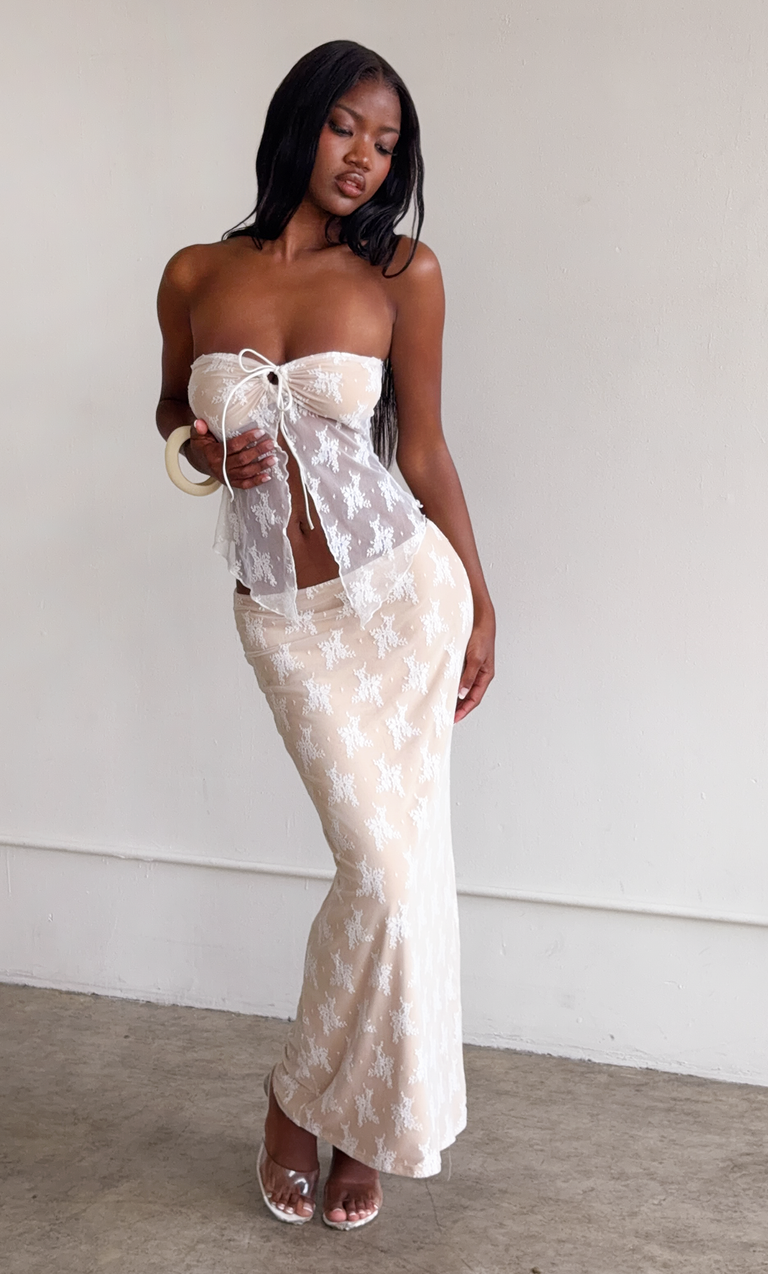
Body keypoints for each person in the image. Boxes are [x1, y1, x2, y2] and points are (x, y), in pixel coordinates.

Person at [156, 39, 495, 1231]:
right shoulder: (196, 271)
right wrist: (209, 451)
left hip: (403, 596)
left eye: (386, 143)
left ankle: (338, 1116)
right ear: (298, 123)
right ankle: (312, 1094)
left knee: (396, 875)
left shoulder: (403, 272)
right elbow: (171, 408)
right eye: (347, 126)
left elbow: (424, 450)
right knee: (379, 870)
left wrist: (481, 599)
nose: (364, 157)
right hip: (287, 617)